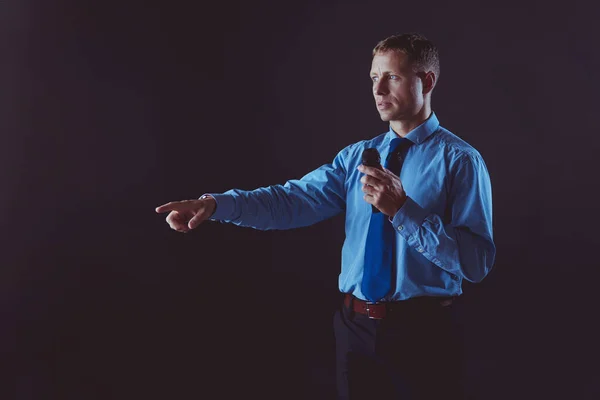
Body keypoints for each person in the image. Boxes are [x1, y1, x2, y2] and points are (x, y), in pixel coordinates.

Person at [155, 32, 495, 400]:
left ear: (426, 81)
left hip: (424, 334)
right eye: (373, 78)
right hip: (355, 331)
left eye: (392, 77)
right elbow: (291, 201)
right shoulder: (355, 158)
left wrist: (402, 210)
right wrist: (217, 205)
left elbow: (475, 262)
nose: (378, 89)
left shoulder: (460, 161)